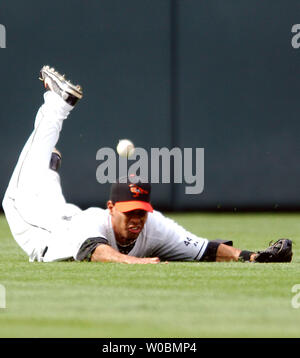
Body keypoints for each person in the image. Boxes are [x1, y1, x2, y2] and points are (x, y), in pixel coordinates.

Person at [2, 65, 293, 264]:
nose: (136, 219)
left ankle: (50, 166)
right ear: (111, 208)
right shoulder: (93, 222)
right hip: (36, 227)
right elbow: (97, 252)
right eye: (129, 212)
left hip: (60, 215)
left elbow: (206, 248)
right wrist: (134, 262)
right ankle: (57, 104)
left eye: (141, 212)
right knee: (17, 193)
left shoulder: (154, 227)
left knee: (47, 183)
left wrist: (252, 256)